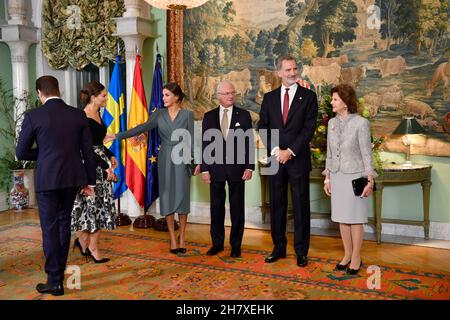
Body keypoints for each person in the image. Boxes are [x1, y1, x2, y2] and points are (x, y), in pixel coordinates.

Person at [16, 75, 96, 296]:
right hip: (72, 178)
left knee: (50, 229)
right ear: (58, 90)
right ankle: (58, 277)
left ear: (39, 93)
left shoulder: (34, 115)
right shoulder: (77, 115)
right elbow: (87, 152)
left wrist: (46, 154)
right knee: (63, 225)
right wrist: (90, 182)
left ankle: (54, 280)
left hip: (48, 179)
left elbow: (21, 151)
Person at [105, 83, 199, 254]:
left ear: (177, 97)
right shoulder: (159, 114)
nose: (163, 98)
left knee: (182, 199)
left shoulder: (187, 115)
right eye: (163, 95)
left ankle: (183, 236)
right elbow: (142, 128)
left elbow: (191, 140)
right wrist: (118, 136)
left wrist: (196, 162)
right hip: (164, 160)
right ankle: (172, 238)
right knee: (167, 198)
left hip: (183, 159)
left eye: (167, 95)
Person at [258, 56, 318, 268]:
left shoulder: (309, 97)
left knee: (301, 206)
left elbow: (308, 129)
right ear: (279, 72)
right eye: (288, 69)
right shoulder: (270, 98)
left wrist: (290, 151)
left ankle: (301, 252)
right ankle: (279, 248)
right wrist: (276, 151)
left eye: (295, 68)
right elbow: (263, 127)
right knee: (277, 205)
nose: (292, 73)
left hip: (297, 158)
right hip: (274, 159)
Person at [322, 84, 377, 275]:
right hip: (337, 176)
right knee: (342, 219)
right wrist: (327, 178)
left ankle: (356, 256)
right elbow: (329, 152)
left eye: (335, 99)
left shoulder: (361, 123)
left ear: (345, 102)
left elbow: (366, 154)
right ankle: (346, 254)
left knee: (355, 219)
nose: (332, 102)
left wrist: (370, 180)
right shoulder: (331, 123)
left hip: (355, 176)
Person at [201, 80, 255, 258]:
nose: (231, 96)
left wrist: (249, 167)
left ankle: (236, 245)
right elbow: (205, 144)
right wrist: (204, 169)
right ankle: (217, 244)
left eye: (233, 93)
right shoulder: (208, 116)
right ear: (219, 96)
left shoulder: (244, 115)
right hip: (215, 169)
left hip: (237, 169)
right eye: (227, 93)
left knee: (237, 208)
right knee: (216, 209)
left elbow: (249, 143)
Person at [71, 81, 118, 263]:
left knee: (99, 207)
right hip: (89, 165)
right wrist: (105, 167)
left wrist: (110, 154)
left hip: (101, 161)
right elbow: (86, 149)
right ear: (93, 97)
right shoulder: (82, 117)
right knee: (89, 207)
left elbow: (98, 142)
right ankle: (91, 245)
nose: (106, 98)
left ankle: (85, 243)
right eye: (104, 95)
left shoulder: (98, 113)